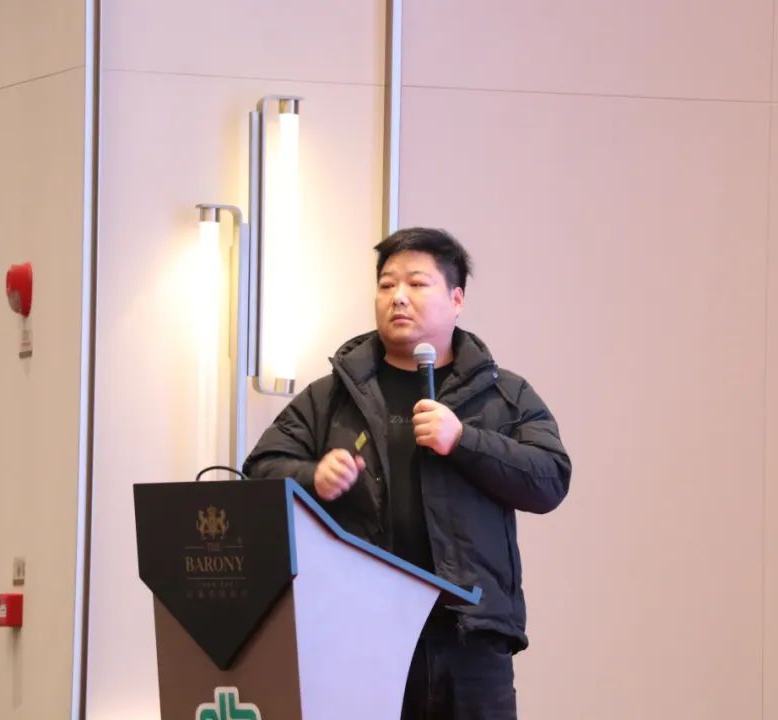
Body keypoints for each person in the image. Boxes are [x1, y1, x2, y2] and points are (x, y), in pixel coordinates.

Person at [243, 227, 571, 719]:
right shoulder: (331, 396)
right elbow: (259, 472)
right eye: (386, 284)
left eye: (417, 283)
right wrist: (312, 478)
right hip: (359, 636)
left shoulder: (502, 394)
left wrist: (464, 440)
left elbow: (550, 479)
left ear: (456, 299)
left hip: (469, 637)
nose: (398, 297)